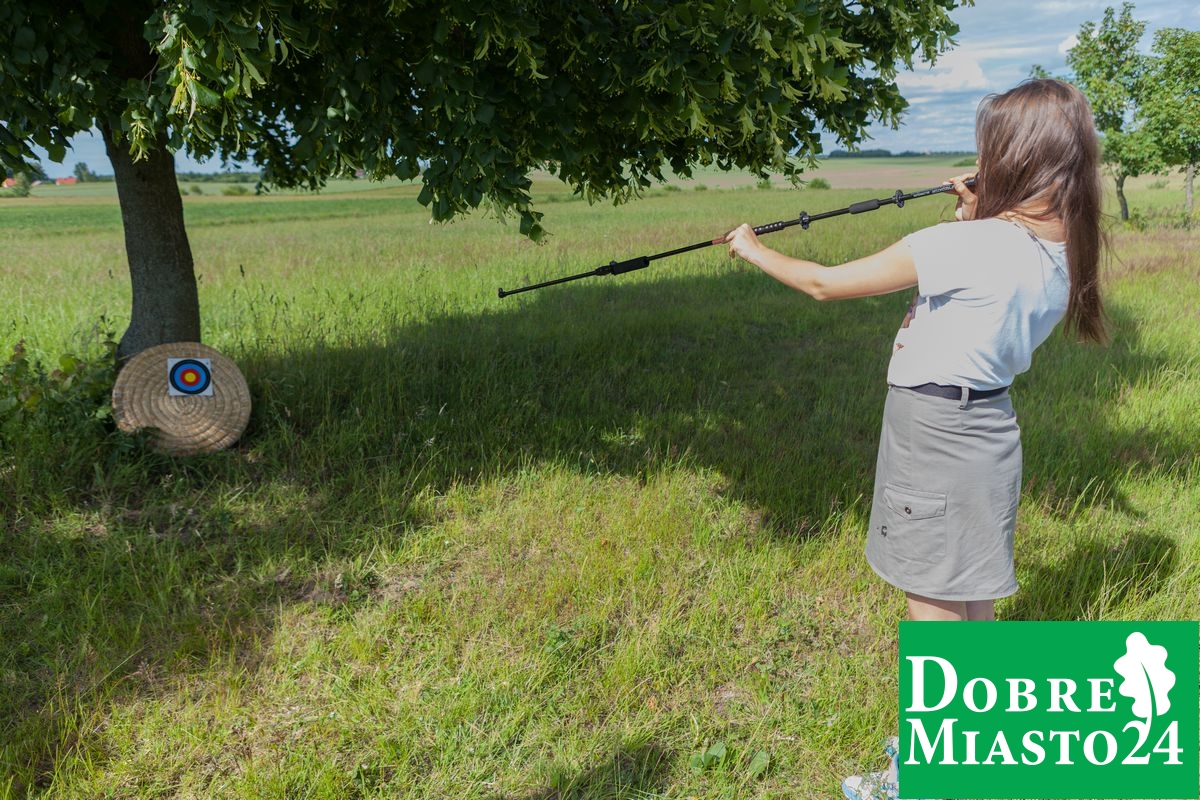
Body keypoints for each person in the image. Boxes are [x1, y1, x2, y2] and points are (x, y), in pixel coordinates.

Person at [723, 78, 1106, 800]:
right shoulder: (1066, 244)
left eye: (989, 148)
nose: (979, 160)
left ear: (1015, 156)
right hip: (989, 432)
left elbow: (824, 284)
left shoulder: (966, 245)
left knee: (932, 614)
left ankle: (925, 781)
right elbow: (990, 279)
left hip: (935, 434)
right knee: (973, 604)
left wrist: (751, 247)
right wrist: (979, 214)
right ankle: (968, 762)